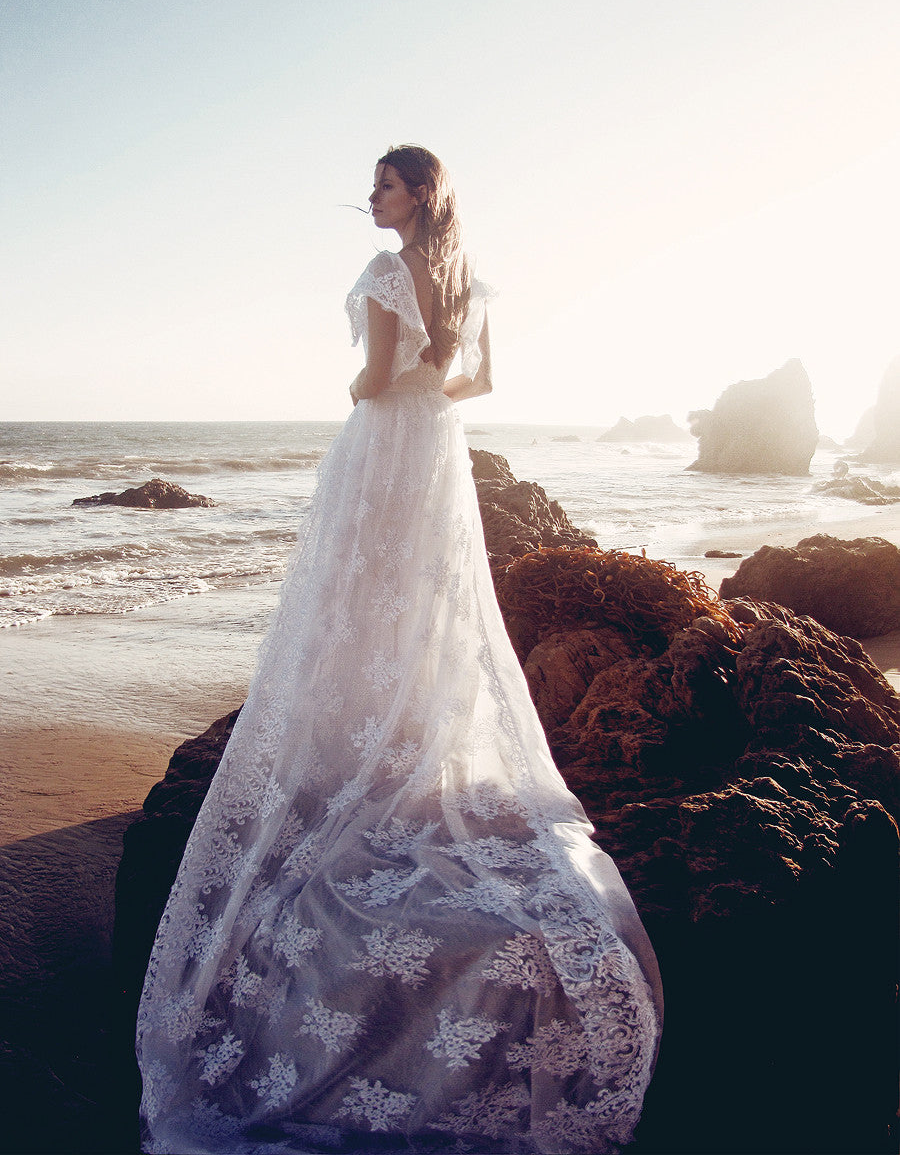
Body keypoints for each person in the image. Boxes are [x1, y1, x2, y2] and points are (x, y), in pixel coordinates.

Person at [136, 145, 662, 1155]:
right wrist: (424, 396)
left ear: (418, 191)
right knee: (424, 606)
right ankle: (406, 731)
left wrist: (364, 381)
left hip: (382, 448)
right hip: (437, 453)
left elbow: (372, 381)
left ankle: (358, 744)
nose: (370, 201)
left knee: (359, 602)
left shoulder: (387, 274)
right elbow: (481, 380)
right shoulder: (468, 271)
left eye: (382, 186)